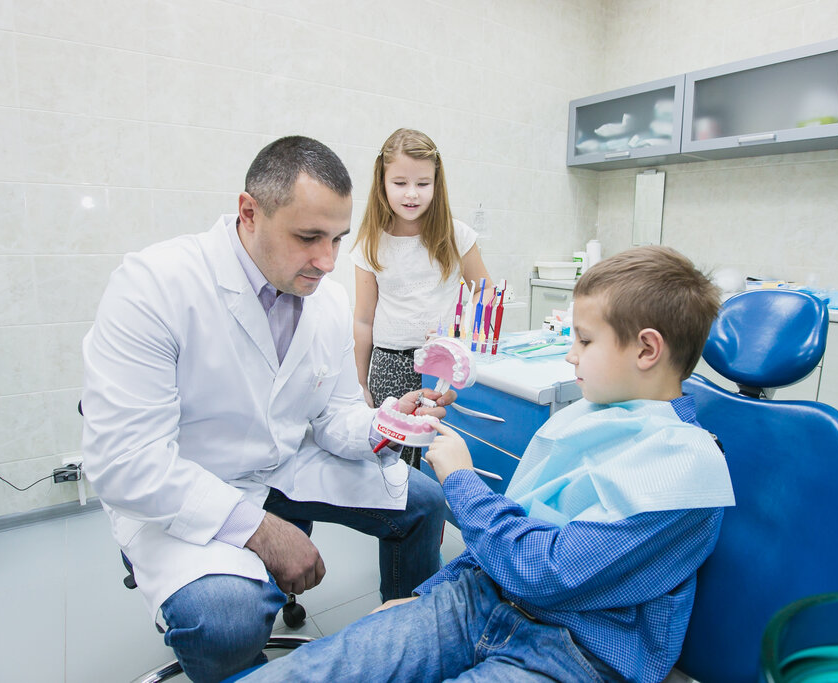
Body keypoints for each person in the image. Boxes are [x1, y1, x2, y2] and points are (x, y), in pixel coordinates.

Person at [244, 245, 736, 683]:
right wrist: (427, 594)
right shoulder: (592, 416)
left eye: (585, 341)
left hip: (573, 649)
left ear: (647, 349)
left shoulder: (685, 473)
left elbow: (544, 571)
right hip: (480, 597)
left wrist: (462, 481)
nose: (570, 356)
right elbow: (511, 531)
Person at [81, 136, 452, 683]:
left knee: (423, 502)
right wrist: (259, 529)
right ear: (249, 212)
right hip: (186, 488)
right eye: (308, 237)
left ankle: (404, 648)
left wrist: (388, 422)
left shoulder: (325, 300)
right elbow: (124, 462)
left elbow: (333, 418)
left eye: (337, 239)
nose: (327, 262)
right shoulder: (155, 286)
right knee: (225, 621)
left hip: (283, 466)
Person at [351, 128, 493, 468]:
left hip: (442, 366)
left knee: (438, 463)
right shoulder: (370, 242)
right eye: (400, 183)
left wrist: (461, 332)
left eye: (423, 183)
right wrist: (359, 383)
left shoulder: (456, 234)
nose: (412, 194)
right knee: (389, 465)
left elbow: (485, 290)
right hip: (389, 366)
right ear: (382, 182)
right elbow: (363, 320)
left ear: (436, 183)